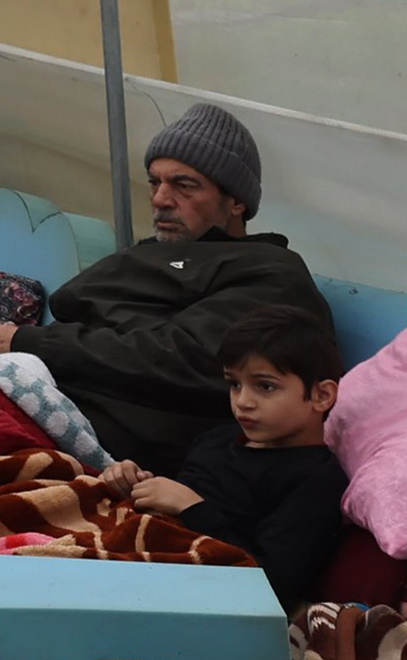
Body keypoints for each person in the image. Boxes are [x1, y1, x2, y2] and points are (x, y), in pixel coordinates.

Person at [23, 102, 335, 472]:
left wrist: (26, 342)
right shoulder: (150, 257)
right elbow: (73, 305)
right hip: (43, 400)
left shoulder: (269, 271)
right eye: (155, 182)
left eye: (184, 186)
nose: (160, 199)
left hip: (106, 446)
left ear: (236, 201)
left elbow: (181, 357)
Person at [123, 311, 350, 602]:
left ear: (321, 396)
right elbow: (168, 492)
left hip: (186, 585)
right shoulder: (217, 439)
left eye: (265, 386)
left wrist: (190, 507)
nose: (243, 402)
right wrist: (132, 481)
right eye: (235, 384)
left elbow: (274, 583)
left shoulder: (314, 480)